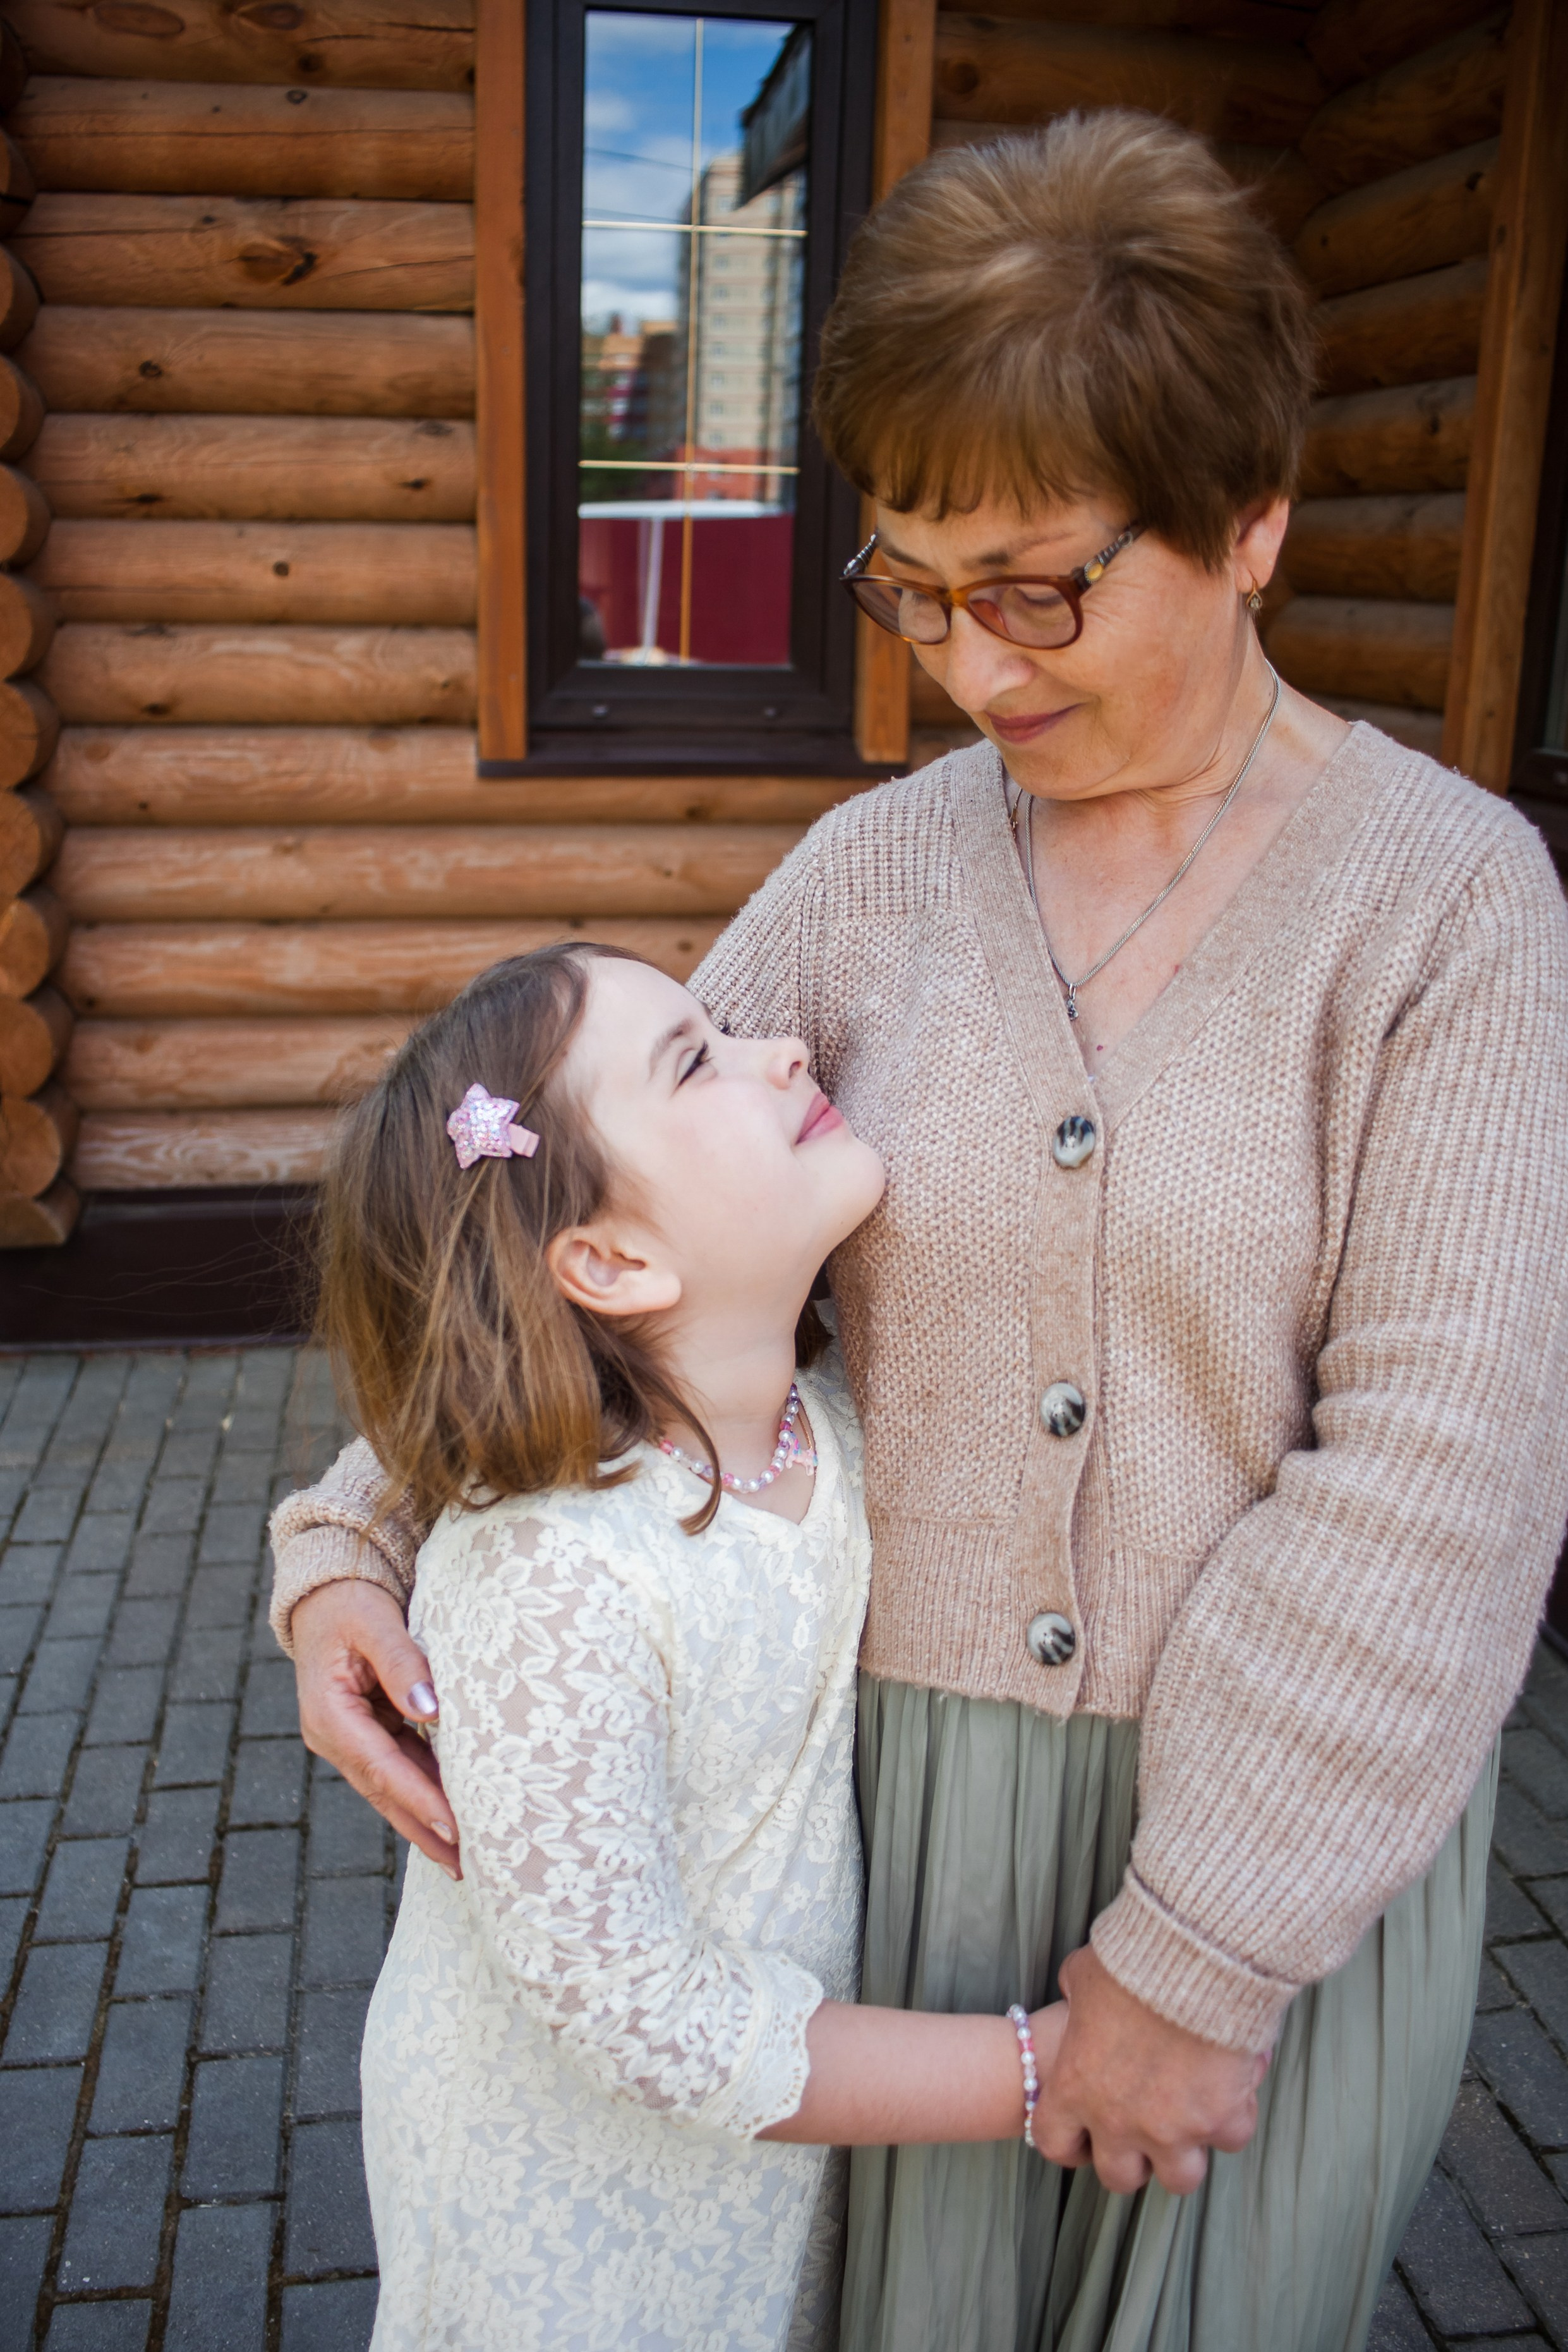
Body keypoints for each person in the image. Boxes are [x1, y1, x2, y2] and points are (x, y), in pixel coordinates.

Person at [271, 114, 1568, 2352]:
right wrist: (344, 1546)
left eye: (1041, 589)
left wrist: (1197, 1952)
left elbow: (1440, 1475)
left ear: (1252, 521)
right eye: (912, 585)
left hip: (1285, 1843)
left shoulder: (1447, 908)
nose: (972, 668)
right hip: (894, 1829)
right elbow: (561, 1212)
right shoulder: (882, 873)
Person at [305, 942, 1069, 2352]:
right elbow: (629, 2004)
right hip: (555, 2208)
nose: (786, 1050)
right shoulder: (548, 1575)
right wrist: (1034, 2071)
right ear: (606, 1258)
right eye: (696, 1058)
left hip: (757, 2153)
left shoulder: (824, 1428)